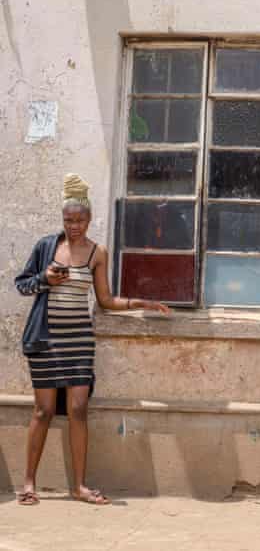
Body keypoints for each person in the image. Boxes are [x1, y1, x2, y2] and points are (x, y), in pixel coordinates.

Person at [14, 174, 170, 506]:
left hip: (79, 341)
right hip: (46, 340)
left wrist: (139, 303)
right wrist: (45, 278)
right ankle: (29, 483)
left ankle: (79, 486)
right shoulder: (46, 247)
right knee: (42, 411)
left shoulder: (98, 252)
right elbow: (22, 284)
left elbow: (105, 301)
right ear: (62, 220)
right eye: (68, 220)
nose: (74, 226)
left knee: (79, 409)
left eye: (80, 220)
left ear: (89, 219)